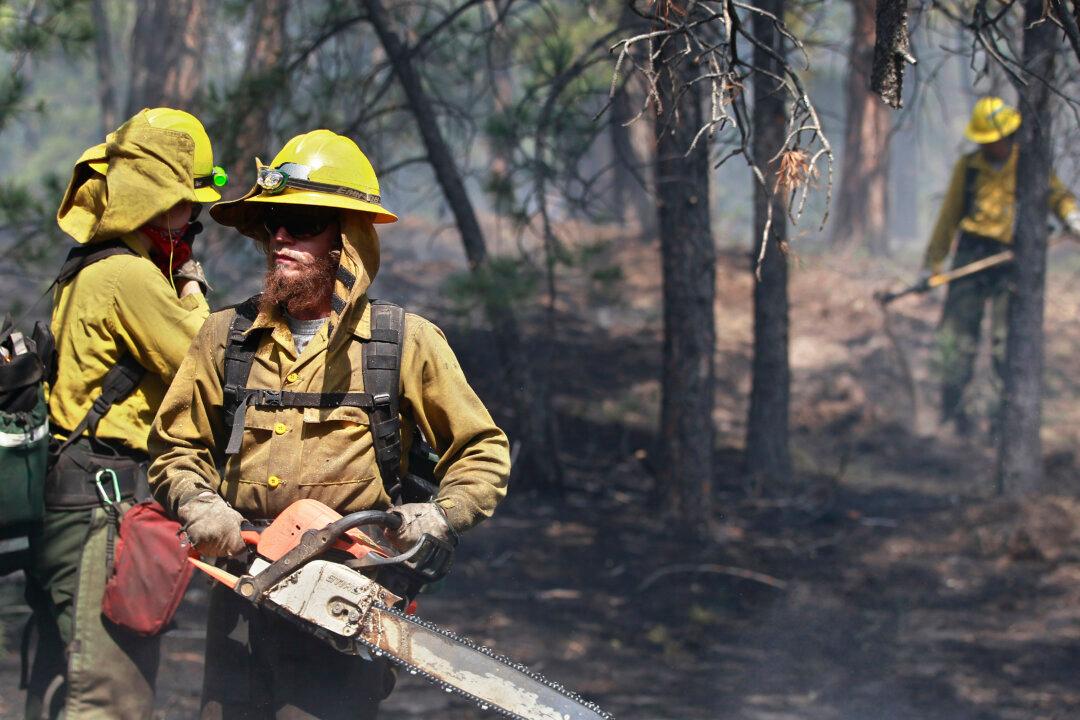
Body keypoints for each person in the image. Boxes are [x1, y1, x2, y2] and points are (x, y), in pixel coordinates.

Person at [147, 129, 511, 720]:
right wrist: (199, 503)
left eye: (303, 222)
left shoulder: (403, 343)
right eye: (275, 223)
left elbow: (482, 452)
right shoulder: (224, 338)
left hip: (343, 598)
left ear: (347, 241)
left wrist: (438, 517)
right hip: (240, 590)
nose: (282, 238)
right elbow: (175, 447)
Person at [25, 107, 222, 719]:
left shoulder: (88, 263)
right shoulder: (129, 275)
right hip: (102, 510)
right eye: (189, 208)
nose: (192, 220)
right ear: (162, 201)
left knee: (65, 685)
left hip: (71, 499)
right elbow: (204, 362)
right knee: (110, 696)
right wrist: (190, 281)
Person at [921, 96, 1080, 436]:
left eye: (992, 139)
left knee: (1005, 345)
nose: (987, 145)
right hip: (971, 256)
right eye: (983, 140)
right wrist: (932, 262)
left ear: (1008, 136)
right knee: (956, 339)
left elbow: (1058, 195)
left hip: (1012, 260)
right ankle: (952, 418)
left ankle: (1000, 425)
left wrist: (1072, 217)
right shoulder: (969, 167)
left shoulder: (1029, 166)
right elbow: (948, 216)